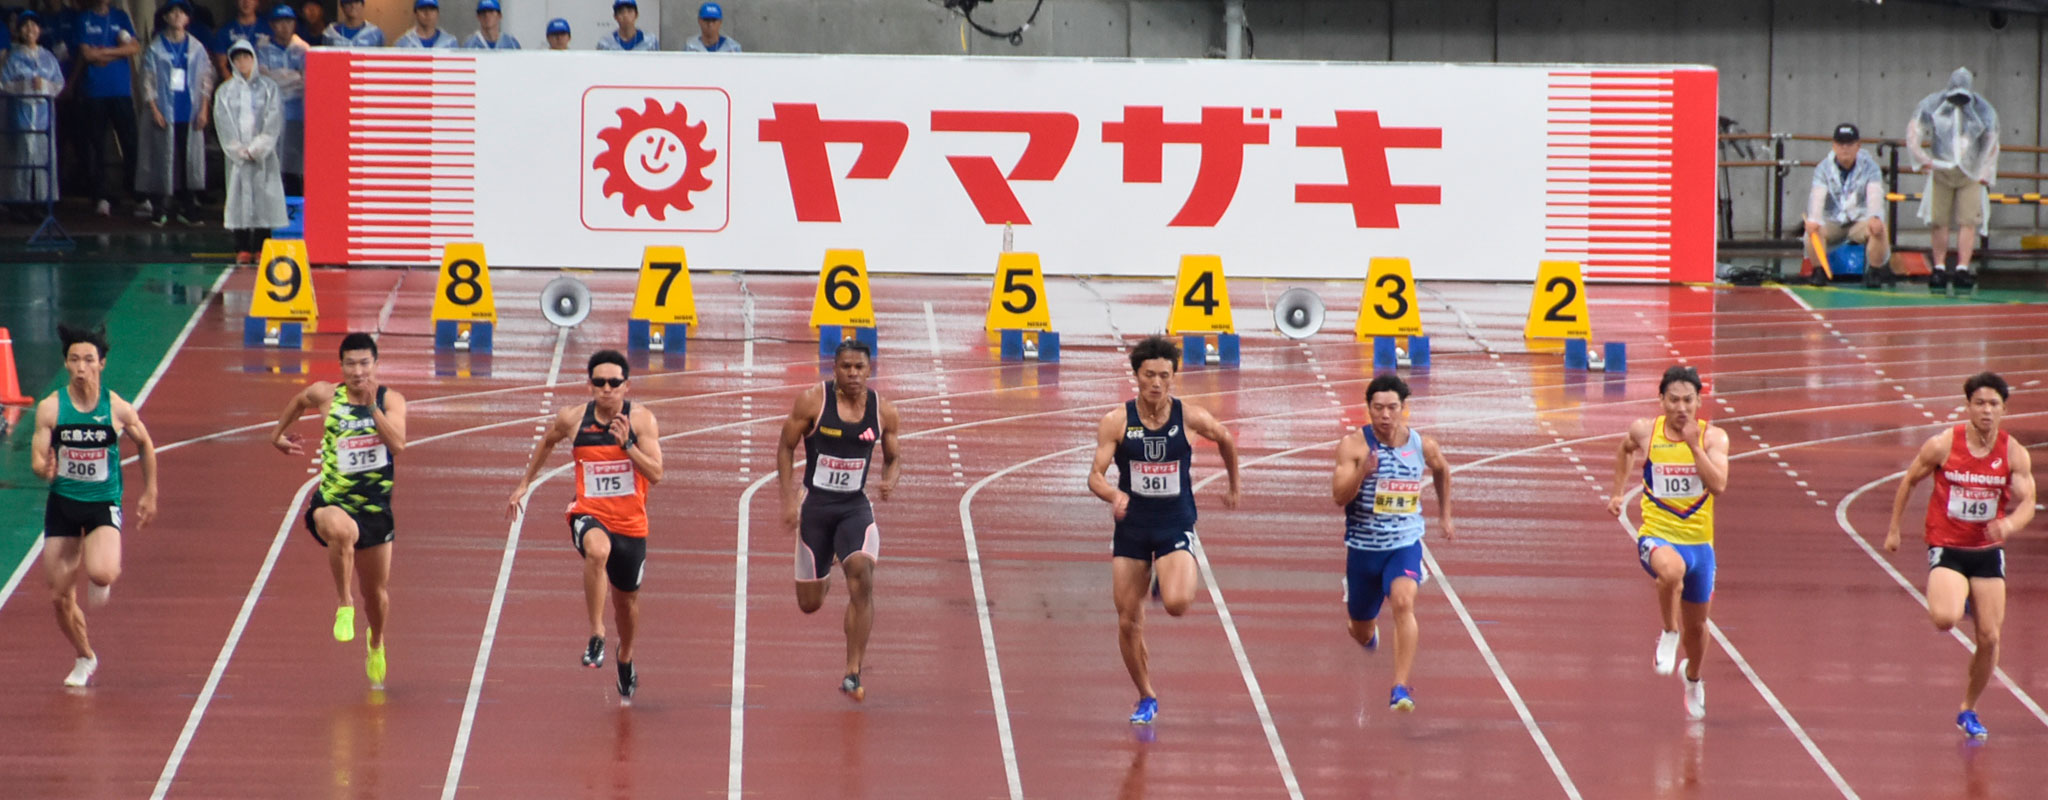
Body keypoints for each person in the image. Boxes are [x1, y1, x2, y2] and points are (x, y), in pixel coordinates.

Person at [1086, 335, 1241, 724]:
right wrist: (1113, 496)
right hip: (1133, 528)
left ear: (1174, 378)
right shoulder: (1117, 421)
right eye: (1149, 375)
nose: (1156, 383)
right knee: (1127, 620)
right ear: (1136, 376)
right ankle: (1146, 695)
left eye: (1164, 376)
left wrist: (1233, 484)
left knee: (1176, 604)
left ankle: (1166, 576)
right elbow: (1095, 476)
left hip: (1174, 522)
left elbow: (1225, 438)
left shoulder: (1189, 417)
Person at [1885, 372, 2036, 740]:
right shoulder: (1943, 445)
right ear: (1968, 406)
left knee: (1990, 637)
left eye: (1994, 404)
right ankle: (1962, 599)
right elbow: (1910, 480)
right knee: (1945, 618)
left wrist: (2011, 525)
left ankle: (1968, 709)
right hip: (1948, 546)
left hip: (1986, 552)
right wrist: (1894, 529)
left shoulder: (2012, 452)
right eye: (1980, 403)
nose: (1986, 410)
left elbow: (2028, 500)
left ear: (2003, 409)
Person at [507, 350, 663, 701]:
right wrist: (524, 484)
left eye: (614, 383)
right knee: (597, 550)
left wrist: (629, 446)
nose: (606, 389)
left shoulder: (642, 421)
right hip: (588, 512)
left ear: (627, 385)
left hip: (632, 525)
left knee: (628, 605)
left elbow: (656, 473)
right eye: (599, 382)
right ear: (589, 384)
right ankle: (596, 635)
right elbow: (547, 442)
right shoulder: (573, 419)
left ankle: (625, 657)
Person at [268, 333, 407, 689]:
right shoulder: (326, 395)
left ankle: (376, 643)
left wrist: (371, 407)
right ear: (341, 365)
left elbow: (398, 445)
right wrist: (278, 435)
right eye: (350, 363)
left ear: (375, 364)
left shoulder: (391, 401)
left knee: (376, 595)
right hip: (332, 502)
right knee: (341, 532)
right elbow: (299, 400)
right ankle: (343, 604)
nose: (357, 371)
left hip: (375, 510)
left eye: (364, 363)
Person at [29, 324, 158, 688]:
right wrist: (44, 468)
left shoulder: (116, 409)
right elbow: (38, 460)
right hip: (63, 506)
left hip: (102, 505)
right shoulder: (51, 409)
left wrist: (150, 493)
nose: (81, 367)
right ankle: (85, 656)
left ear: (101, 364)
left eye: (88, 360)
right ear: (66, 364)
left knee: (101, 575)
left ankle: (99, 561)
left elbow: (146, 445)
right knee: (59, 597)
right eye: (74, 360)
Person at [776, 339, 901, 702]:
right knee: (809, 603)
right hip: (815, 506)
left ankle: (852, 670)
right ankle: (825, 571)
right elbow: (786, 446)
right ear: (835, 369)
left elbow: (894, 456)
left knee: (861, 576)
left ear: (869, 369)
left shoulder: (884, 411)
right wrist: (788, 500)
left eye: (859, 367)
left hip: (854, 507)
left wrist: (890, 478)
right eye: (846, 367)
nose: (853, 374)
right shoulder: (813, 402)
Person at [1607, 365, 1728, 721]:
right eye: (1673, 400)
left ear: (1699, 402)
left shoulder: (1712, 438)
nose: (1681, 408)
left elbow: (1718, 485)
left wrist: (1693, 447)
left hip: (1700, 548)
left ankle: (1693, 678)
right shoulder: (1646, 432)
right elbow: (1625, 450)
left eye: (1688, 401)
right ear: (1661, 401)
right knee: (1670, 571)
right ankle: (1668, 630)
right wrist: (1616, 493)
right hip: (1657, 536)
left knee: (1699, 629)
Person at [1330, 374, 1453, 712]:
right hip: (1363, 549)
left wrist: (1445, 515)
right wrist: (1362, 473)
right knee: (1359, 627)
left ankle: (1400, 686)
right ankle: (1367, 634)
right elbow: (1339, 496)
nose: (1385, 415)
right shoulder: (1354, 446)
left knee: (1403, 601)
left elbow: (1442, 469)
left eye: (1392, 408)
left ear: (1403, 409)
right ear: (1368, 409)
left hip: (1404, 543)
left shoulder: (1420, 445)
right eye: (1378, 408)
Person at [1907, 68, 2000, 291]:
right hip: (1941, 169)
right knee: (1939, 220)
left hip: (1970, 173)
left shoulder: (1983, 108)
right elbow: (1914, 132)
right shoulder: (1933, 103)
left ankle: (1962, 268)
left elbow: (1992, 141)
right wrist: (1922, 159)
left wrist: (1985, 170)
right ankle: (1939, 267)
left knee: (1968, 221)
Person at [136, 0, 211, 228]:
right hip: (164, 113)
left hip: (189, 112)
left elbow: (207, 79)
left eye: (182, 13)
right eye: (173, 12)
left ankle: (188, 207)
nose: (178, 16)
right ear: (166, 18)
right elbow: (147, 80)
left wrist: (204, 108)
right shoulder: (155, 48)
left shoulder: (197, 48)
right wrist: (154, 109)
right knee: (161, 159)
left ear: (188, 19)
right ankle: (159, 208)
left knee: (187, 160)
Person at [214, 38, 284, 262]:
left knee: (264, 198)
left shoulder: (269, 88)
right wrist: (237, 149)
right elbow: (222, 122)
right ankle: (242, 246)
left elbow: (273, 121)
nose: (243, 62)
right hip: (238, 157)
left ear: (253, 59)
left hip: (263, 155)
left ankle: (263, 244)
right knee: (238, 199)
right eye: (238, 58)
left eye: (246, 57)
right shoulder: (224, 92)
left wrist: (257, 148)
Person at [70, 0, 140, 218]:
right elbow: (87, 55)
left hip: (120, 90)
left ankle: (137, 193)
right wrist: (118, 52)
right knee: (96, 145)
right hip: (94, 91)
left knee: (130, 142)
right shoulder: (84, 19)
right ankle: (100, 196)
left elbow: (135, 47)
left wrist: (104, 53)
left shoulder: (120, 17)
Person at [1805, 123, 1896, 287]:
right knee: (1812, 230)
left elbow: (1875, 194)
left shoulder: (1871, 167)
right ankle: (1819, 270)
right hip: (1833, 220)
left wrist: (1875, 217)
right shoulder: (1822, 168)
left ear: (1858, 146)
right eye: (1840, 144)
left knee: (1878, 227)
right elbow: (1817, 196)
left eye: (1849, 144)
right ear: (1834, 146)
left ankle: (1874, 271)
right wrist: (1814, 219)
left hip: (1859, 219)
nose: (1845, 148)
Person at [3, 11, 64, 217]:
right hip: (21, 112)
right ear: (20, 31)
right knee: (22, 155)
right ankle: (20, 203)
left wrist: (44, 85)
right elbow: (4, 84)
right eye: (25, 26)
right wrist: (27, 85)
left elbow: (58, 83)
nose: (30, 29)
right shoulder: (14, 57)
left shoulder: (48, 57)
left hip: (44, 115)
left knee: (43, 155)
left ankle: (41, 202)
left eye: (34, 25)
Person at [255, 4, 306, 195]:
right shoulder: (262, 49)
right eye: (279, 22)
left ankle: (294, 205)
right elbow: (263, 79)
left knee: (295, 163)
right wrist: (293, 75)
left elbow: (307, 81)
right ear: (271, 25)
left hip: (297, 114)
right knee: (271, 163)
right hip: (270, 114)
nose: (284, 26)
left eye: (288, 21)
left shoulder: (303, 49)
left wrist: (279, 77)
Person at [210, 0, 263, 81]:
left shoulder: (268, 28)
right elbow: (221, 65)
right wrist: (236, 87)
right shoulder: (225, 31)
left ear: (257, 2)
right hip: (234, 84)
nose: (246, 2)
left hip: (263, 83)